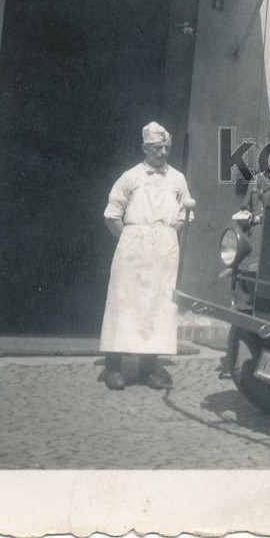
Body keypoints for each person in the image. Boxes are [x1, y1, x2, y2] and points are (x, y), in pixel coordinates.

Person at [100, 122, 194, 391]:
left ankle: (149, 367)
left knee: (158, 304)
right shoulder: (130, 177)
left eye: (166, 147)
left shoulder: (177, 179)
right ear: (145, 149)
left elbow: (184, 214)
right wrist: (132, 240)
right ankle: (113, 366)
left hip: (163, 248)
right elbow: (111, 215)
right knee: (124, 301)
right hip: (133, 246)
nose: (163, 152)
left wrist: (163, 237)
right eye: (157, 147)